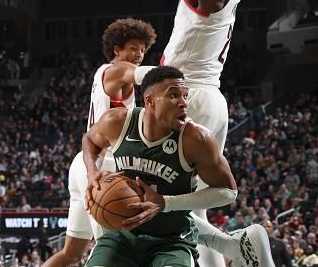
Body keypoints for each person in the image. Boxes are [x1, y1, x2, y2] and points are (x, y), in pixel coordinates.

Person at [137, 0, 274, 266]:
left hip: (187, 97)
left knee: (154, 193)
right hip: (203, 96)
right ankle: (231, 251)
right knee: (195, 207)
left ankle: (236, 245)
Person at [83, 66, 238, 267]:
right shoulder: (118, 122)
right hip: (121, 236)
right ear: (150, 101)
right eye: (174, 95)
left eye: (184, 95)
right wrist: (92, 172)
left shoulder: (196, 139)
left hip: (172, 240)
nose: (183, 102)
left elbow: (228, 191)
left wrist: (166, 203)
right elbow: (90, 140)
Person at [42, 18, 157, 267]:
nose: (139, 54)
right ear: (117, 49)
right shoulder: (118, 71)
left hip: (84, 164)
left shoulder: (103, 72)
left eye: (143, 49)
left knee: (70, 255)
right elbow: (154, 75)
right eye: (134, 48)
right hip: (102, 169)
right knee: (110, 250)